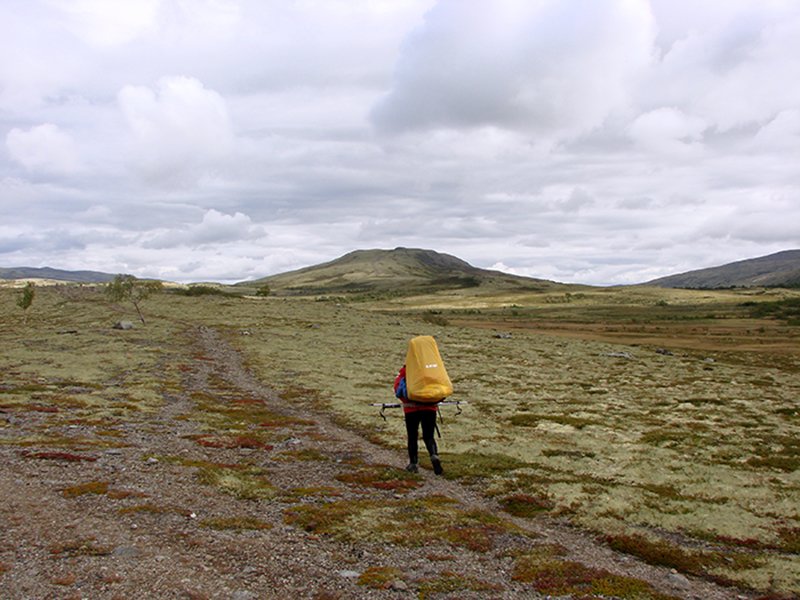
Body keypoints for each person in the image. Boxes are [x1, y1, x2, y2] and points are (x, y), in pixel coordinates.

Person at [393, 364, 443, 475]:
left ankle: (413, 464)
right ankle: (434, 455)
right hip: (429, 408)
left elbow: (397, 389)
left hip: (410, 409)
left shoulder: (404, 372)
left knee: (412, 436)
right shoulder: (429, 370)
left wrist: (406, 400)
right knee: (429, 436)